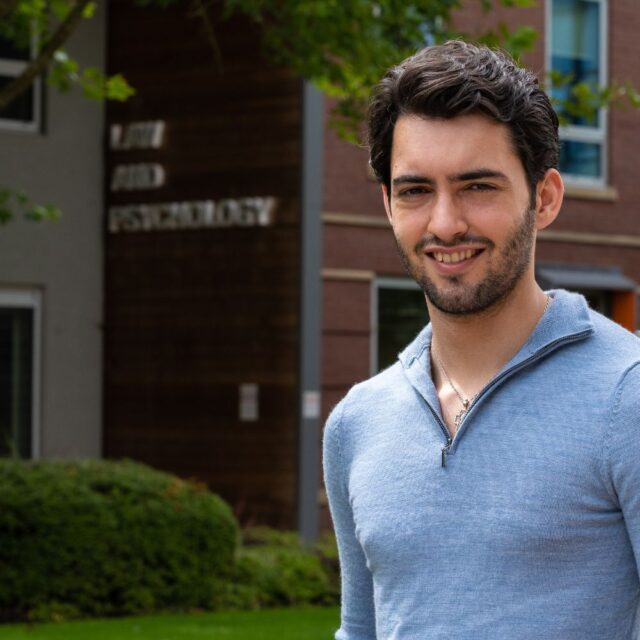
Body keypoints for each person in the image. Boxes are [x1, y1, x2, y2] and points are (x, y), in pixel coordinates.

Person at [323, 40, 640, 640]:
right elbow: (359, 628)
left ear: (543, 198)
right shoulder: (356, 421)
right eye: (415, 190)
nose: (445, 223)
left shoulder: (626, 398)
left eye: (477, 186)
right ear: (388, 204)